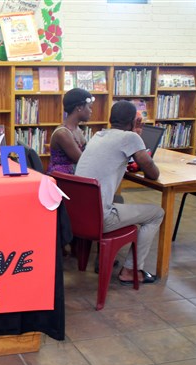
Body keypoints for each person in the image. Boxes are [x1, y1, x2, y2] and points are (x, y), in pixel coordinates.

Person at [75, 100, 164, 285]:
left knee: (119, 200)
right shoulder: (130, 138)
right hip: (101, 219)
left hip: (79, 216)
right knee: (156, 213)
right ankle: (131, 270)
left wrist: (134, 137)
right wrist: (136, 138)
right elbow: (153, 173)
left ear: (110, 119)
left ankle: (114, 262)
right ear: (132, 122)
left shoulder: (98, 135)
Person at [47, 88, 94, 174]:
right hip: (62, 178)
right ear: (79, 108)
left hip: (74, 176)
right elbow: (82, 161)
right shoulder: (63, 133)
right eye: (89, 107)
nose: (91, 111)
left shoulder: (77, 129)